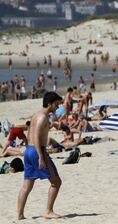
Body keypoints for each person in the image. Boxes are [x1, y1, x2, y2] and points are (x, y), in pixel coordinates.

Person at [17, 92, 63, 220]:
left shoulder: (37, 115)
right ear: (49, 103)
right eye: (56, 104)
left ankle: (20, 215)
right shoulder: (42, 117)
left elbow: (30, 134)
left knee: (27, 186)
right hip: (38, 151)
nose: (58, 107)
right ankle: (48, 211)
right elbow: (36, 136)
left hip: (29, 151)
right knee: (56, 182)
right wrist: (41, 157)